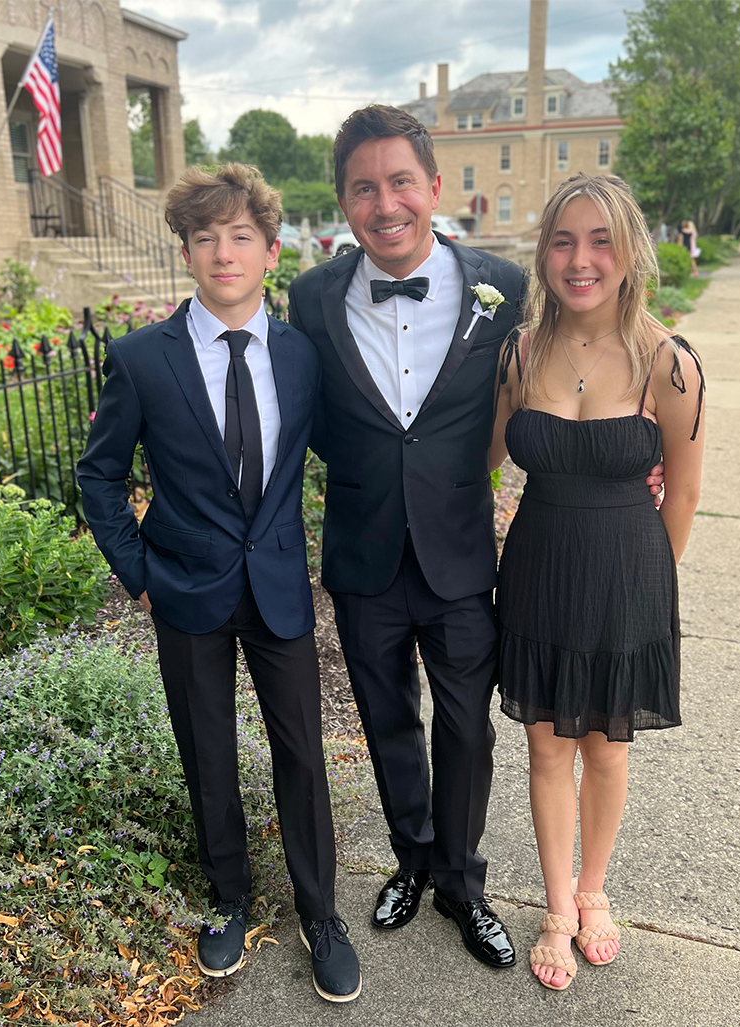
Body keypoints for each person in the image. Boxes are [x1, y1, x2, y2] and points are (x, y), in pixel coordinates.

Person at [76, 164, 362, 1004]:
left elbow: (346, 452)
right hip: (184, 589)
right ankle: (228, 896)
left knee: (301, 751)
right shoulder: (142, 359)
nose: (224, 252)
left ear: (271, 251)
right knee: (207, 750)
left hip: (277, 585)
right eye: (206, 237)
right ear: (187, 252)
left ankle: (320, 913)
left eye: (241, 236)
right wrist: (137, 574)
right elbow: (99, 475)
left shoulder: (302, 356)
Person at [287, 105, 529, 969]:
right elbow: (314, 415)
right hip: (364, 554)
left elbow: (545, 382)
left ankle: (462, 880)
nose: (384, 204)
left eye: (399, 182)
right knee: (387, 718)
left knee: (467, 728)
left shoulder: (504, 287)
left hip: (459, 552)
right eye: (363, 188)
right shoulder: (312, 297)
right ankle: (412, 859)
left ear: (431, 186)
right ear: (343, 202)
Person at [490, 173, 705, 992]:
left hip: (627, 576)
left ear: (630, 252)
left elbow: (683, 493)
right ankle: (555, 906)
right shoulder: (519, 352)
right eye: (563, 241)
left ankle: (593, 891)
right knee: (546, 745)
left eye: (600, 241)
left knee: (607, 748)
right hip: (539, 568)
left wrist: (648, 588)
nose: (581, 260)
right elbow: (480, 457)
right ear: (544, 254)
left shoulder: (668, 362)